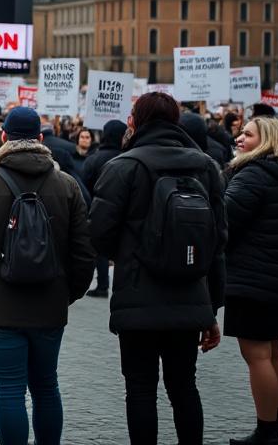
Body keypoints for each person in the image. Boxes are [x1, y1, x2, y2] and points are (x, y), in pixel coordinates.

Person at [88, 93, 227, 445]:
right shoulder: (206, 166)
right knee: (184, 387)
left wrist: (128, 253)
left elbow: (99, 234)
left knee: (140, 388)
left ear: (137, 120)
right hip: (190, 293)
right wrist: (212, 306)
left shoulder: (123, 166)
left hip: (137, 295)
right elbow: (218, 241)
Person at [0, 106, 95, 445]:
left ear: (4, 138)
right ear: (41, 140)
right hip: (50, 302)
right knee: (46, 385)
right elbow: (84, 251)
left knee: (8, 391)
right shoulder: (67, 185)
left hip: (0, 305)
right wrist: (68, 290)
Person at [223, 115, 278, 445]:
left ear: (269, 140)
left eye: (248, 134)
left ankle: (267, 431)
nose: (240, 139)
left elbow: (225, 221)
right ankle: (274, 426)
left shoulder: (253, 176)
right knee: (273, 354)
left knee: (257, 357)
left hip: (253, 278)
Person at [81, 120, 127, 297]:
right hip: (125, 212)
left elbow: (83, 186)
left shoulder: (94, 159)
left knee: (99, 250)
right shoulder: (130, 157)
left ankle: (102, 285)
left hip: (98, 209)